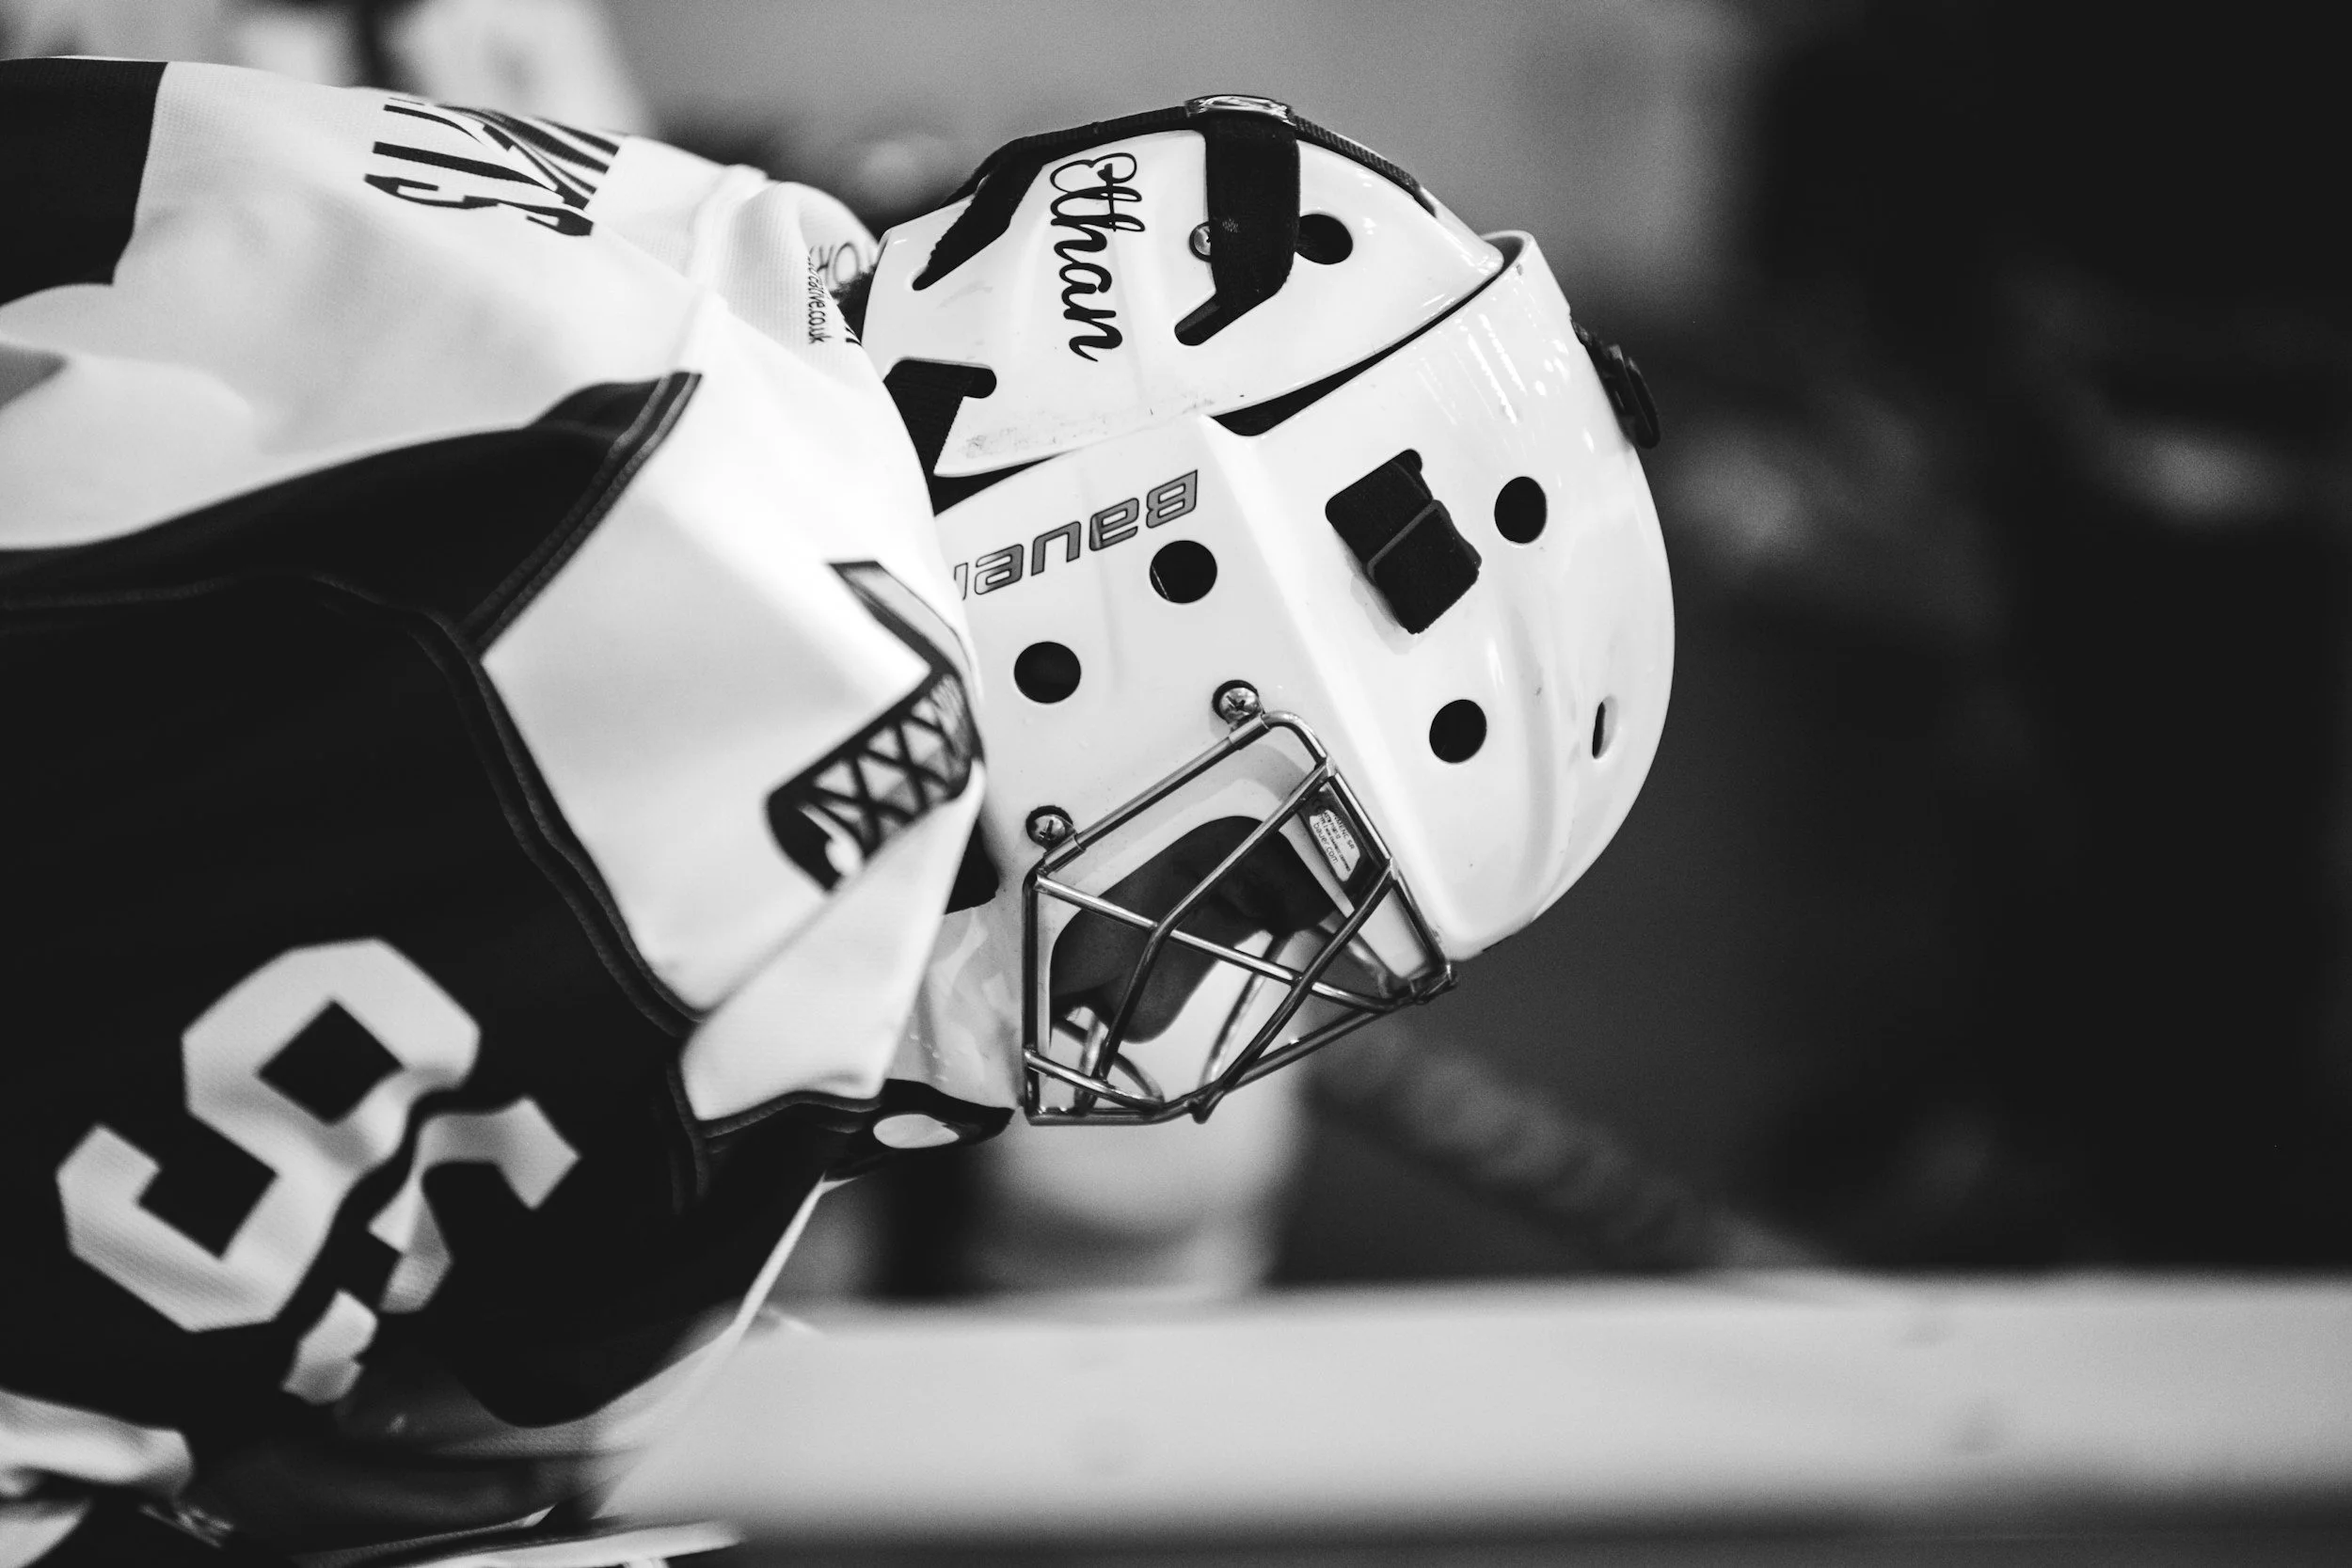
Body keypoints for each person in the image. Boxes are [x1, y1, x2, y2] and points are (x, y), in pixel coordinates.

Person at [0, 58, 1672, 1565]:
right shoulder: (751, 648)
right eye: (1249, 895)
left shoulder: (686, 269)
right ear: (1147, 560)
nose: (1175, 1004)